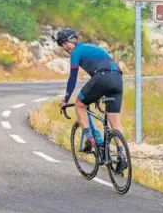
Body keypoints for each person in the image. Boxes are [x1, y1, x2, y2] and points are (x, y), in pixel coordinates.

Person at [53, 27, 124, 156]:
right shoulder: (91, 48)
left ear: (74, 39)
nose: (65, 47)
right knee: (115, 122)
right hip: (117, 78)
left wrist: (66, 100)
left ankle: (90, 139)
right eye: (62, 44)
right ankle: (121, 154)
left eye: (65, 42)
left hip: (102, 76)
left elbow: (73, 77)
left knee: (79, 105)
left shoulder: (76, 52)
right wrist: (96, 96)